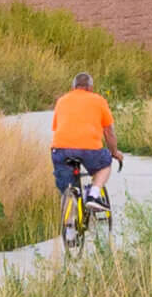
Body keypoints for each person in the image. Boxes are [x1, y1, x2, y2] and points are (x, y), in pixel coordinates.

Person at [49, 70, 119, 205]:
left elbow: (57, 128)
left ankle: (69, 217)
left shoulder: (62, 101)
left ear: (73, 87)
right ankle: (93, 195)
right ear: (90, 88)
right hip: (90, 150)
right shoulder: (99, 100)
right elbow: (109, 131)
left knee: (66, 189)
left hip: (61, 150)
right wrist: (114, 152)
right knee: (105, 165)